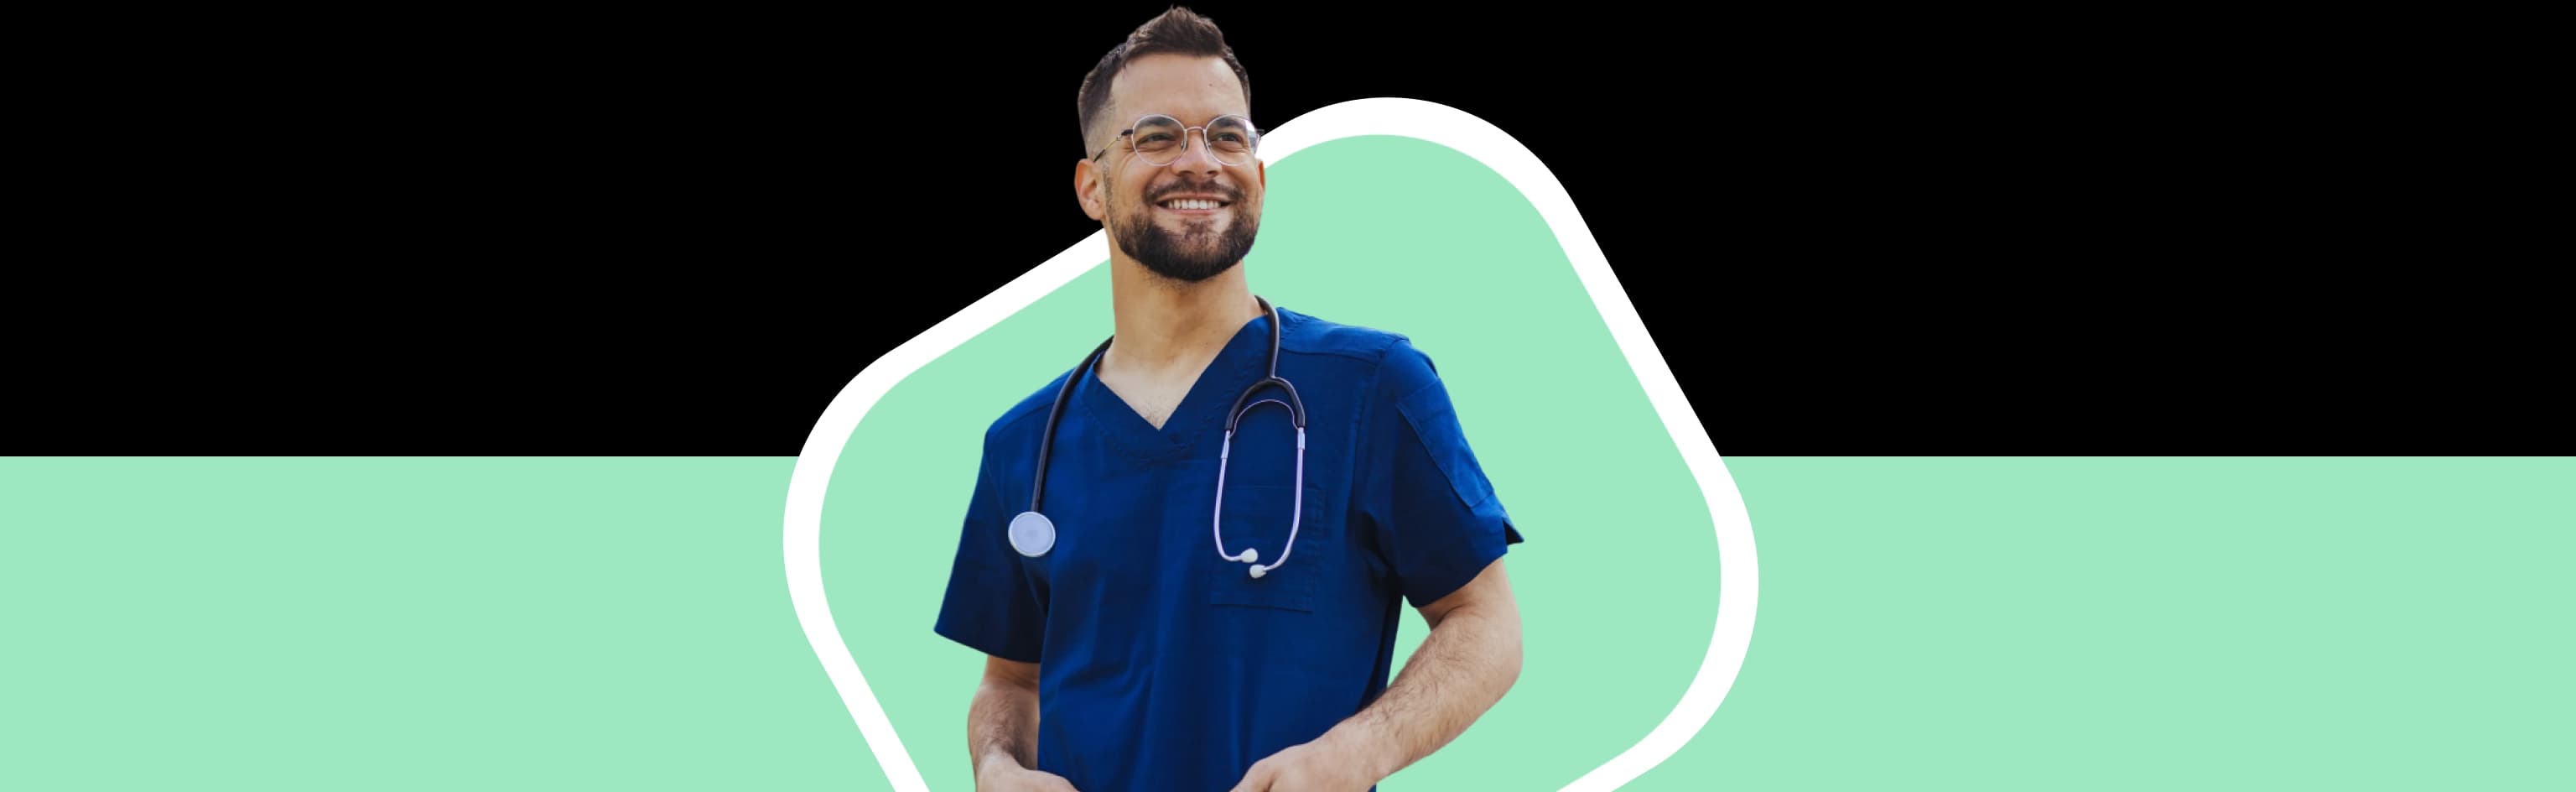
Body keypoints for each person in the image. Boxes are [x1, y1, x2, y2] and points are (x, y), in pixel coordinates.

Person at [932, 8, 1525, 790]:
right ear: (1091, 187)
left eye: (1227, 135)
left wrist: (1357, 752)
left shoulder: (1371, 386)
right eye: (1156, 136)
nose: (1200, 161)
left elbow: (1484, 622)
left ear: (1259, 174)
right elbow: (1011, 680)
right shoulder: (1025, 443)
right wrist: (999, 767)